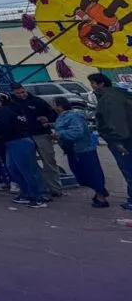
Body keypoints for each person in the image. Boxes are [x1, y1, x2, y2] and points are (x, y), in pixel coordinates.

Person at [0, 91, 49, 208]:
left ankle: (37, 197)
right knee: (16, 169)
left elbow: (4, 125)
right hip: (18, 141)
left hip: (17, 141)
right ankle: (27, 193)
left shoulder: (5, 110)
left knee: (26, 170)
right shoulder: (15, 108)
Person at [52, 97, 108, 208]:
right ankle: (99, 191)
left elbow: (77, 132)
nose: (53, 107)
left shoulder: (72, 116)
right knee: (81, 173)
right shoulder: (65, 116)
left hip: (82, 149)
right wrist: (51, 125)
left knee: (90, 173)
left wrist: (59, 134)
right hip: (73, 150)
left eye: (54, 105)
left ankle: (100, 195)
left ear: (59, 106)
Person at [88, 73, 132, 211]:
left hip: (122, 140)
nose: (92, 86)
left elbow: (116, 121)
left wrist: (118, 141)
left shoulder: (109, 98)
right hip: (126, 137)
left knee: (128, 168)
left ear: (101, 84)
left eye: (93, 83)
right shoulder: (118, 95)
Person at [12, 83, 62, 197]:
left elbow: (53, 114)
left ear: (25, 90)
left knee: (49, 162)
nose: (21, 95)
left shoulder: (36, 101)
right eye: (18, 93)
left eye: (22, 92)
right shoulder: (13, 104)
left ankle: (55, 188)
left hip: (41, 135)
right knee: (30, 164)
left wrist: (47, 119)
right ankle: (40, 188)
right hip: (24, 137)